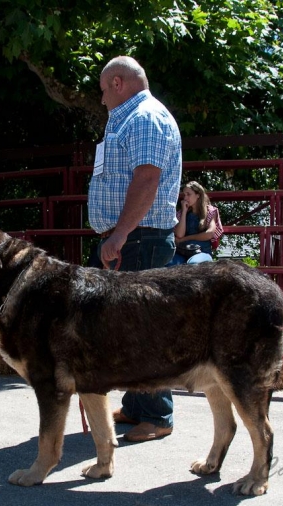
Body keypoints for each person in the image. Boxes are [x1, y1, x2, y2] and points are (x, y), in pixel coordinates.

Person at [88, 55, 181, 442]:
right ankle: (137, 405)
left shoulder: (144, 117)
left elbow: (147, 180)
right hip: (132, 236)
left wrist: (119, 234)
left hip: (138, 237)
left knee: (142, 330)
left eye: (102, 90)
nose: (102, 99)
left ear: (118, 82)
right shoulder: (132, 117)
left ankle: (158, 416)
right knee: (125, 327)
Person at [169, 181, 223, 265]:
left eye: (188, 194)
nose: (185, 198)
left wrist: (185, 239)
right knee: (170, 264)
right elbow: (179, 235)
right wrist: (184, 212)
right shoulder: (181, 213)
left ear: (198, 195)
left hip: (201, 251)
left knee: (194, 264)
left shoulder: (210, 211)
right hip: (183, 251)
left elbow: (209, 234)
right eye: (184, 195)